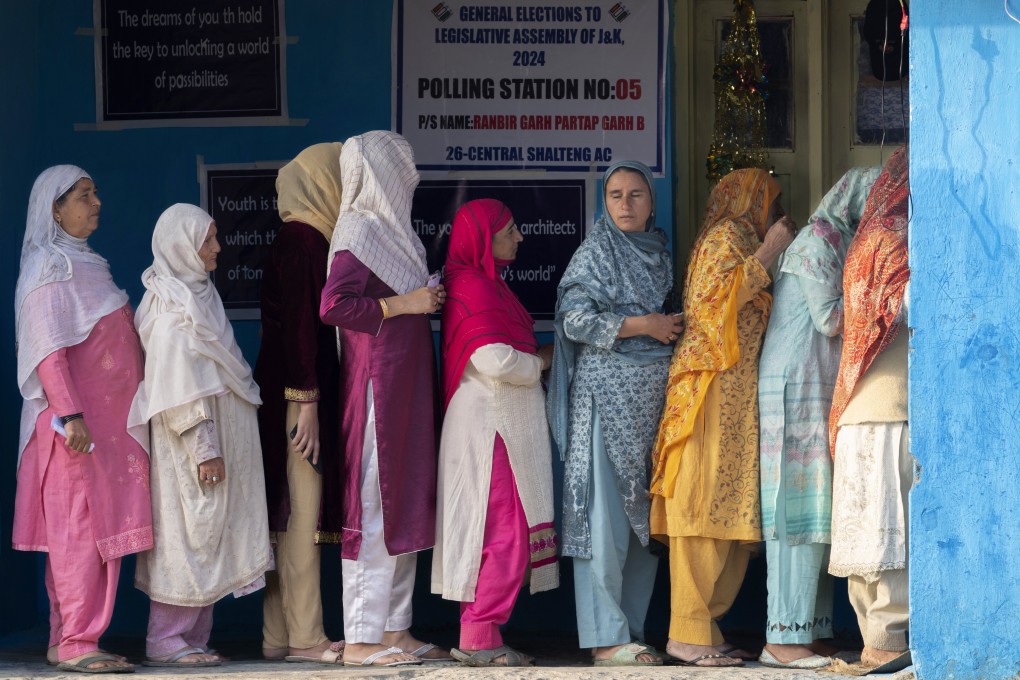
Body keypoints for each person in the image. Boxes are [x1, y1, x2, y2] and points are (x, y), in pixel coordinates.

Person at [650, 168, 796, 667]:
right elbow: (713, 308)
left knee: (730, 512)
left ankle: (704, 627)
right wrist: (770, 250)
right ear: (748, 200)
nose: (775, 213)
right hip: (709, 390)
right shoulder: (725, 237)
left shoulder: (739, 238)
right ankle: (686, 632)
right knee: (702, 506)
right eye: (769, 202)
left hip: (735, 396)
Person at [12, 165, 152, 674]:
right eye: (84, 194)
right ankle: (77, 643)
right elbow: (49, 351)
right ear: (55, 208)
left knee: (86, 536)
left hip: (103, 433)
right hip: (77, 432)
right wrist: (71, 416)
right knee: (77, 535)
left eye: (96, 192)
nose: (97, 201)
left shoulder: (86, 263)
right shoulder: (50, 266)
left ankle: (63, 639)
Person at [319, 130, 448, 668]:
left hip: (407, 385)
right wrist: (405, 304)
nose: (409, 179)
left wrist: (423, 298)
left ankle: (395, 628)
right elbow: (334, 306)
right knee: (376, 502)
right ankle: (361, 636)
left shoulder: (397, 235)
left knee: (408, 498)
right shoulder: (359, 229)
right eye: (402, 169)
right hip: (377, 386)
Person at [547, 160, 681, 667]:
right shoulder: (596, 251)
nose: (625, 205)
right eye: (615, 196)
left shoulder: (660, 252)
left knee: (643, 522)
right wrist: (643, 324)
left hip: (650, 406)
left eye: (636, 195)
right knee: (604, 521)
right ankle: (605, 638)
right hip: (605, 401)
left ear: (652, 202)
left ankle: (631, 631)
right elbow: (574, 320)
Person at [129, 203, 272, 667]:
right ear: (182, 248)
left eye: (214, 238)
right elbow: (177, 389)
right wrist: (204, 449)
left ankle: (192, 638)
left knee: (208, 535)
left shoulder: (199, 298)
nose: (218, 248)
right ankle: (166, 640)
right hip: (193, 449)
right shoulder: (171, 312)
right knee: (188, 533)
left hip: (217, 446)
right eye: (207, 240)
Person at [755, 167, 881, 669]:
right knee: (794, 512)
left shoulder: (845, 240)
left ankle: (812, 629)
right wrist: (883, 294)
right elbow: (829, 317)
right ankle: (781, 638)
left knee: (819, 512)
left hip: (817, 386)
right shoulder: (819, 239)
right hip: (795, 387)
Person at [433, 199, 559, 667]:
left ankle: (483, 631)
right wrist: (542, 362)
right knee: (503, 532)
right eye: (510, 230)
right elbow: (493, 360)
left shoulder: (489, 286)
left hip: (502, 424)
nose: (519, 237)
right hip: (491, 427)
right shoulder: (471, 287)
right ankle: (479, 636)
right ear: (484, 238)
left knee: (503, 530)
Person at [255, 142, 345, 664]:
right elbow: (300, 331)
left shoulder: (310, 238)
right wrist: (307, 401)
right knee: (300, 517)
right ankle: (307, 638)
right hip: (297, 398)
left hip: (290, 393)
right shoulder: (303, 240)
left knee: (287, 516)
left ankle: (277, 635)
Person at [828, 147, 912, 673]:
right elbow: (914, 307)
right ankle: (890, 643)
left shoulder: (863, 241)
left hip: (856, 408)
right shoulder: (900, 241)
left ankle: (874, 644)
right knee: (893, 530)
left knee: (866, 532)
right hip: (892, 406)